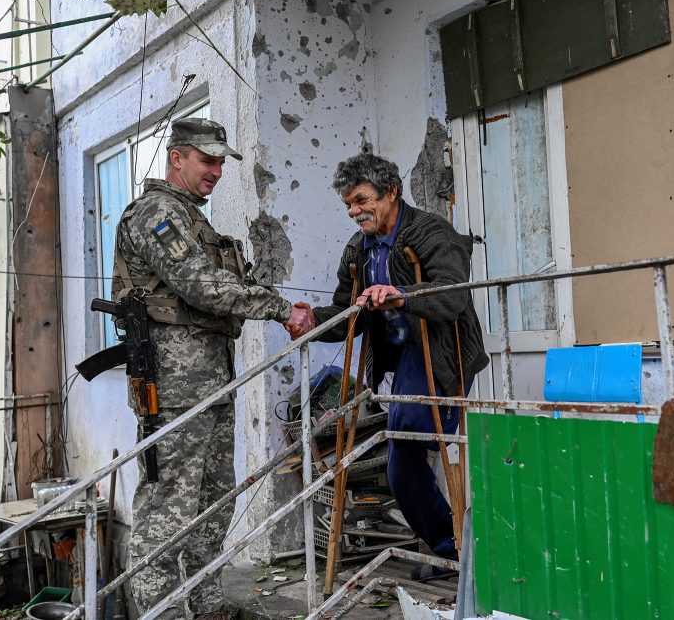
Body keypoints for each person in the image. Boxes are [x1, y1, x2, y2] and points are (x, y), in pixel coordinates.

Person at [112, 118, 308, 620]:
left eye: (221, 162)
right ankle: (161, 613)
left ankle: (207, 601)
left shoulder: (190, 217)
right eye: (208, 160)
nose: (217, 171)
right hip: (175, 386)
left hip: (212, 382)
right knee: (166, 506)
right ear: (177, 158)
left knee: (212, 499)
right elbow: (201, 286)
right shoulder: (157, 214)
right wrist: (280, 308)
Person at [288, 153, 489, 579]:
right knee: (401, 462)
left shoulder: (431, 232)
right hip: (399, 360)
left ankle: (437, 440)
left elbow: (453, 296)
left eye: (361, 200)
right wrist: (313, 322)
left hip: (438, 353)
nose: (354, 211)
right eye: (348, 204)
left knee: (410, 428)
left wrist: (401, 295)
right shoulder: (357, 250)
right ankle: (448, 548)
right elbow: (349, 314)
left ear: (391, 192)